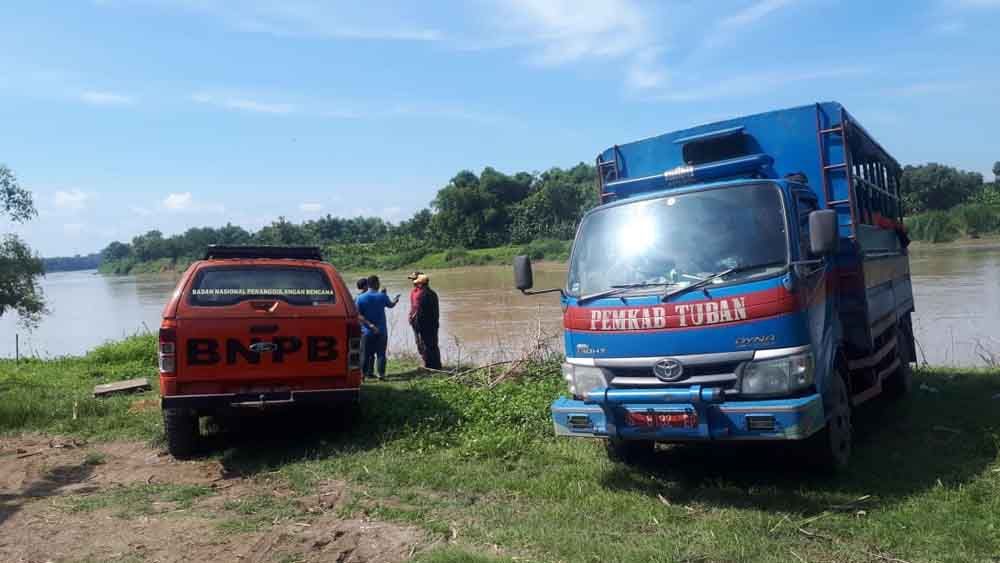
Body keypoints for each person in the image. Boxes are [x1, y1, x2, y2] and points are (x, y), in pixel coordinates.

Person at [355, 275, 399, 380]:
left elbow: (358, 315)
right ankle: (381, 375)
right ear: (375, 284)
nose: (379, 284)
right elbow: (391, 305)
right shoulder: (382, 296)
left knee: (365, 354)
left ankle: (363, 375)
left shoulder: (360, 298)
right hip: (382, 331)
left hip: (367, 331)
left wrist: (369, 325)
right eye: (378, 282)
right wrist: (396, 299)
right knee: (381, 354)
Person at [411, 274, 441, 370]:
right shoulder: (433, 293)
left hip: (425, 326)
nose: (416, 285)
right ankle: (437, 366)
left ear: (421, 284)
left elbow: (421, 314)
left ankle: (429, 366)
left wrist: (417, 326)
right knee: (433, 345)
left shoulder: (422, 296)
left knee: (426, 346)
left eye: (418, 283)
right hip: (433, 324)